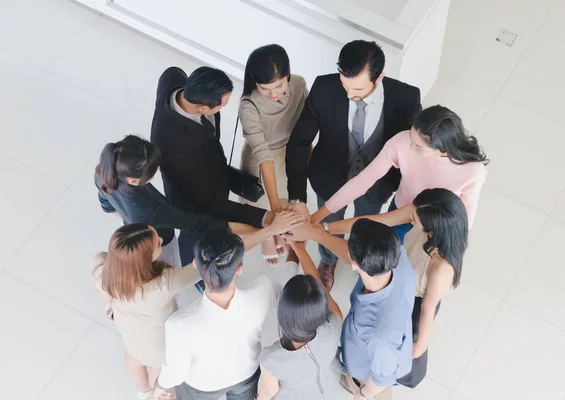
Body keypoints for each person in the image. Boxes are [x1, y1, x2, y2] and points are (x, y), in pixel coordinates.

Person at [286, 39, 421, 290]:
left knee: (364, 223)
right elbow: (300, 141)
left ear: (379, 77)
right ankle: (328, 260)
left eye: (358, 90)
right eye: (345, 86)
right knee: (329, 222)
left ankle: (359, 259)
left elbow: (413, 153)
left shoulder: (406, 98)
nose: (349, 95)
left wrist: (396, 186)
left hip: (376, 185)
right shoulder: (324, 87)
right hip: (329, 179)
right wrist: (296, 198)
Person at [95, 135, 304, 288]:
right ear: (133, 180)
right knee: (170, 270)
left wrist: (127, 217)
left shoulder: (104, 173)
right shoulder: (151, 212)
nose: (159, 169)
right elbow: (201, 224)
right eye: (153, 170)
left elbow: (107, 205)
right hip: (159, 238)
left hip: (136, 226)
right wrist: (266, 228)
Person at [322, 188, 469, 388]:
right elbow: (376, 221)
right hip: (397, 277)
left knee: (379, 356)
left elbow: (427, 309)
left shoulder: (442, 268)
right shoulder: (424, 214)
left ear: (431, 230)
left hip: (411, 301)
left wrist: (414, 348)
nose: (410, 218)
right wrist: (324, 228)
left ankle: (361, 383)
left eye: (414, 218)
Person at [151, 66, 273, 266]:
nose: (223, 108)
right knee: (196, 237)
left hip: (208, 167)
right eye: (222, 105)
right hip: (191, 200)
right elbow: (209, 203)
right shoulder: (170, 146)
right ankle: (196, 271)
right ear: (202, 107)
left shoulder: (174, 80)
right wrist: (262, 217)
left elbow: (171, 71)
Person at [314, 105, 488, 244]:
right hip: (399, 209)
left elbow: (466, 216)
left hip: (431, 227)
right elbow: (363, 181)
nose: (410, 147)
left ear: (442, 148)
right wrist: (318, 216)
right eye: (412, 138)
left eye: (419, 147)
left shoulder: (473, 171)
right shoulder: (403, 141)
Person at [285, 219, 416, 400]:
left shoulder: (380, 335)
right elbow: (352, 254)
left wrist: (362, 394)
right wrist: (314, 235)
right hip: (364, 356)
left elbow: (381, 379)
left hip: (366, 379)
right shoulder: (394, 255)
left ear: (354, 263)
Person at [154, 228, 282, 400]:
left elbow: (174, 374)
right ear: (239, 269)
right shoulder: (263, 290)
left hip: (201, 386)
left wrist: (159, 385)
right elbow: (280, 291)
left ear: (195, 265)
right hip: (246, 375)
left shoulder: (178, 325)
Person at [92, 223, 200, 400]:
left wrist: (109, 302)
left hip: (130, 332)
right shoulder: (165, 284)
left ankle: (143, 390)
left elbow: (98, 272)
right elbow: (203, 268)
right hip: (159, 343)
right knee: (160, 376)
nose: (162, 240)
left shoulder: (103, 269)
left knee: (134, 356)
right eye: (158, 244)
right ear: (144, 260)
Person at [239, 44, 308, 264]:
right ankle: (267, 235)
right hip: (261, 156)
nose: (274, 93)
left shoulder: (298, 84)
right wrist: (276, 212)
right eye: (265, 88)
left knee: (288, 196)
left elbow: (305, 122)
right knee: (262, 203)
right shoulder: (248, 105)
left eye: (278, 85)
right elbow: (262, 154)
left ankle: (279, 232)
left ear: (287, 75)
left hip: (291, 149)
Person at [256, 240, 343, 400]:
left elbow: (268, 392)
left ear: (282, 314)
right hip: (329, 384)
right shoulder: (334, 324)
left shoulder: (270, 359)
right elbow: (325, 295)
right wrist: (299, 248)